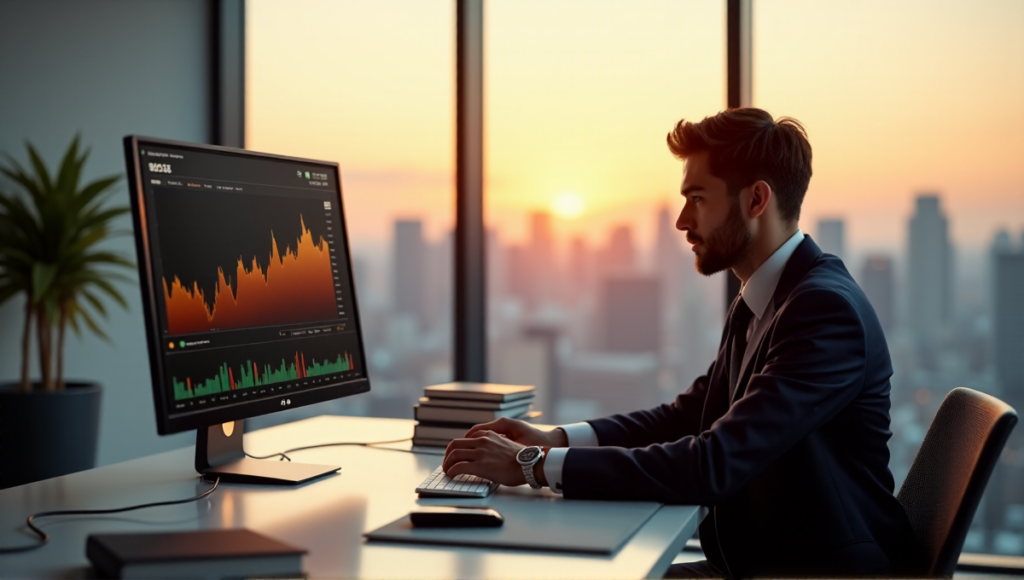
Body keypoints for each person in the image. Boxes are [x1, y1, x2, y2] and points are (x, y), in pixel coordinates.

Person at [441, 108, 920, 578]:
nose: (682, 221)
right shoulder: (768, 297)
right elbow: (688, 417)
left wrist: (535, 465)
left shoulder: (822, 311)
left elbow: (715, 463)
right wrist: (557, 439)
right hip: (755, 564)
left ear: (756, 200)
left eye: (698, 199)